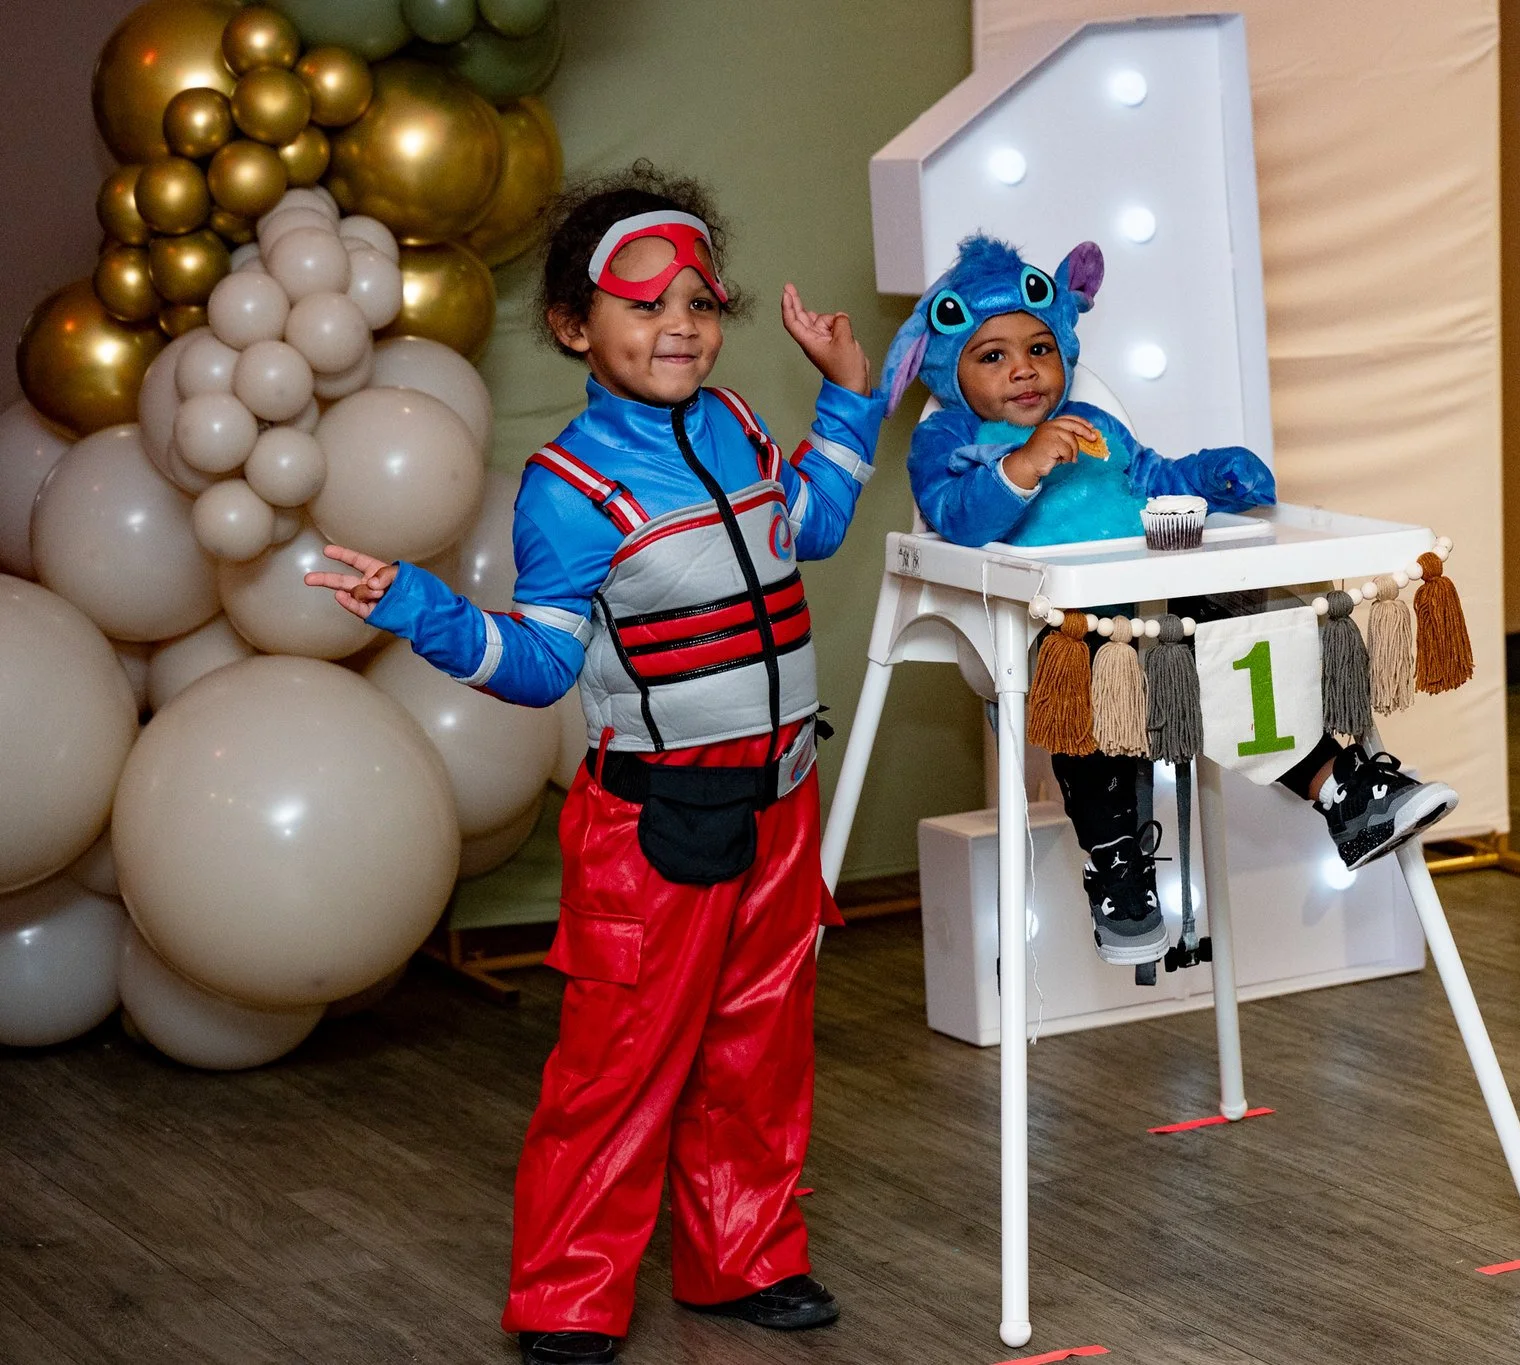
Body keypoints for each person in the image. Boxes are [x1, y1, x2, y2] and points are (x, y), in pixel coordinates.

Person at [307, 164, 881, 1365]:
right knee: (619, 1068)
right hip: (657, 824)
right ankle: (567, 1300)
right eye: (644, 302)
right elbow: (537, 668)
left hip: (781, 801)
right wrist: (418, 606)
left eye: (699, 302)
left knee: (761, 1050)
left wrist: (845, 396)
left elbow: (813, 527)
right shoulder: (567, 490)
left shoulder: (735, 425)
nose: (680, 324)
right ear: (575, 324)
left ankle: (746, 1256)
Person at [885, 234, 1457, 967]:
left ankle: (1342, 791)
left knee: (1247, 638)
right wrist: (1022, 465)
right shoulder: (950, 439)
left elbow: (1156, 480)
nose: (1023, 368)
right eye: (992, 356)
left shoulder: (1098, 430)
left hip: (1159, 610)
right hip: (1049, 632)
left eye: (1040, 348)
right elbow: (954, 517)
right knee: (1101, 670)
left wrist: (1213, 478)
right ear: (949, 369)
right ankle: (1116, 863)